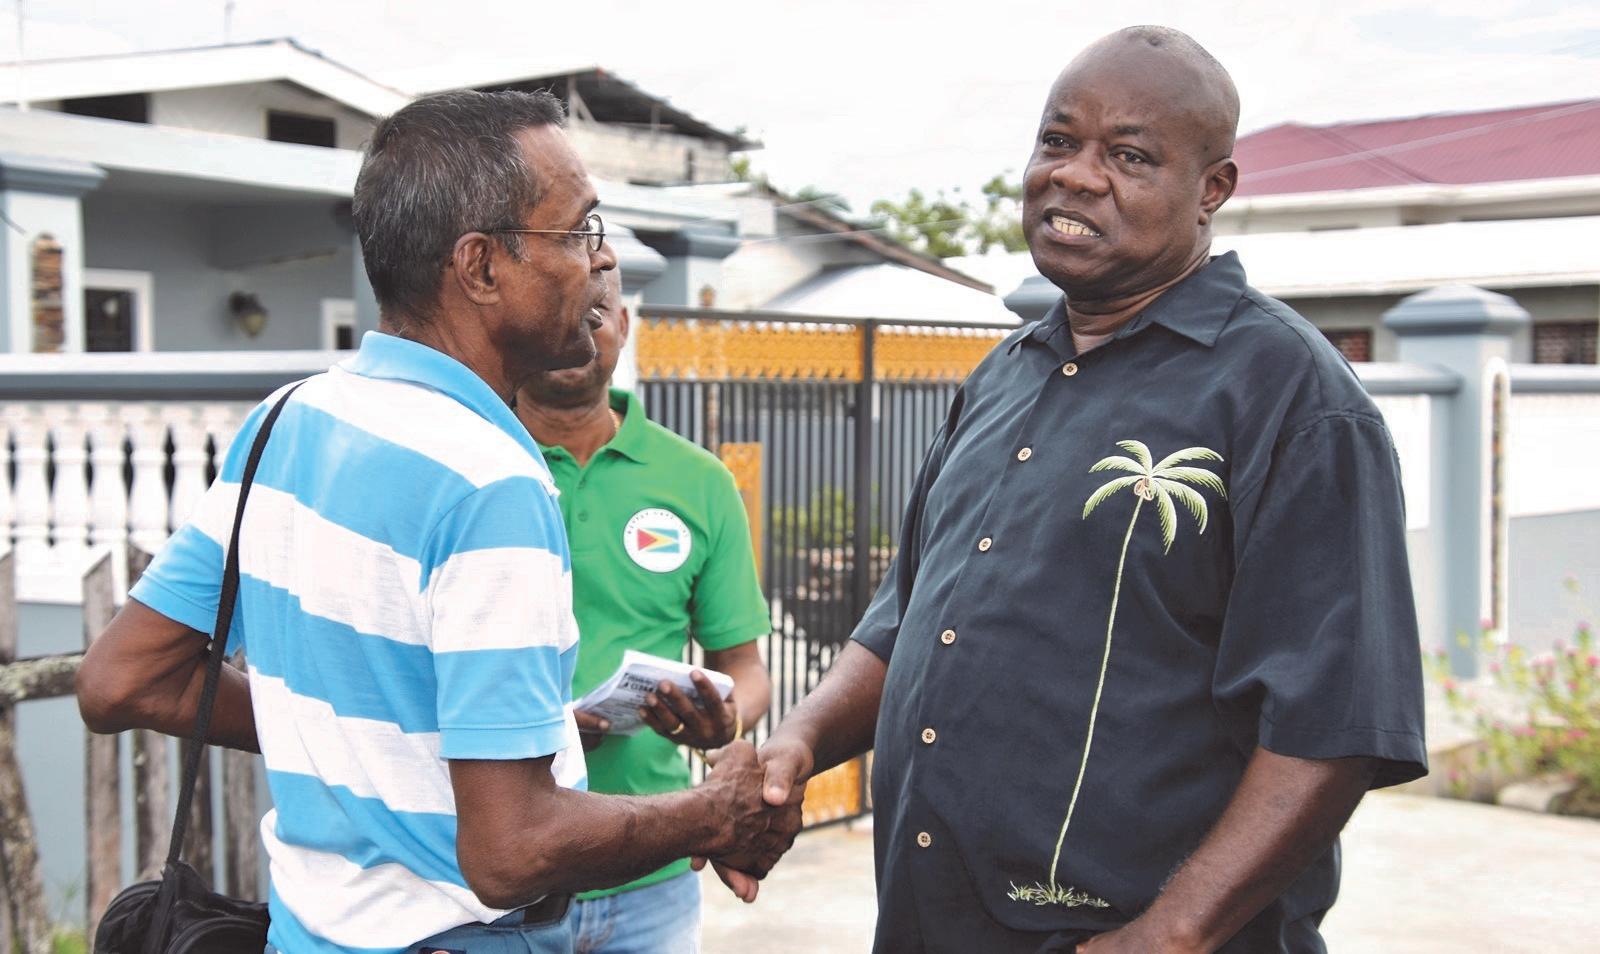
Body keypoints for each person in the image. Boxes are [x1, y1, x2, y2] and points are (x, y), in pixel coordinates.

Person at [75, 89, 799, 954]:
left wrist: (373, 743)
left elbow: (124, 677)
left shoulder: (286, 420)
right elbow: (511, 851)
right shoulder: (489, 480)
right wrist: (711, 814)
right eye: (578, 230)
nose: (599, 258)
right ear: (481, 268)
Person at [757, 26, 1427, 954]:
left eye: (1129, 156)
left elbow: (1334, 725)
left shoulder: (1291, 398)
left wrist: (1172, 934)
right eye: (1058, 140)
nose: (1073, 176)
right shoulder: (1003, 377)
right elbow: (908, 620)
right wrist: (798, 740)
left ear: (1213, 190)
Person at [515, 267, 773, 953]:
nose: (577, 330)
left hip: (651, 872)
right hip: (501, 874)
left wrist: (725, 719)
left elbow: (745, 668)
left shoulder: (698, 481)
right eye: (555, 311)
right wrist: (537, 729)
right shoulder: (475, 466)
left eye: (594, 312)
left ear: (625, 325)